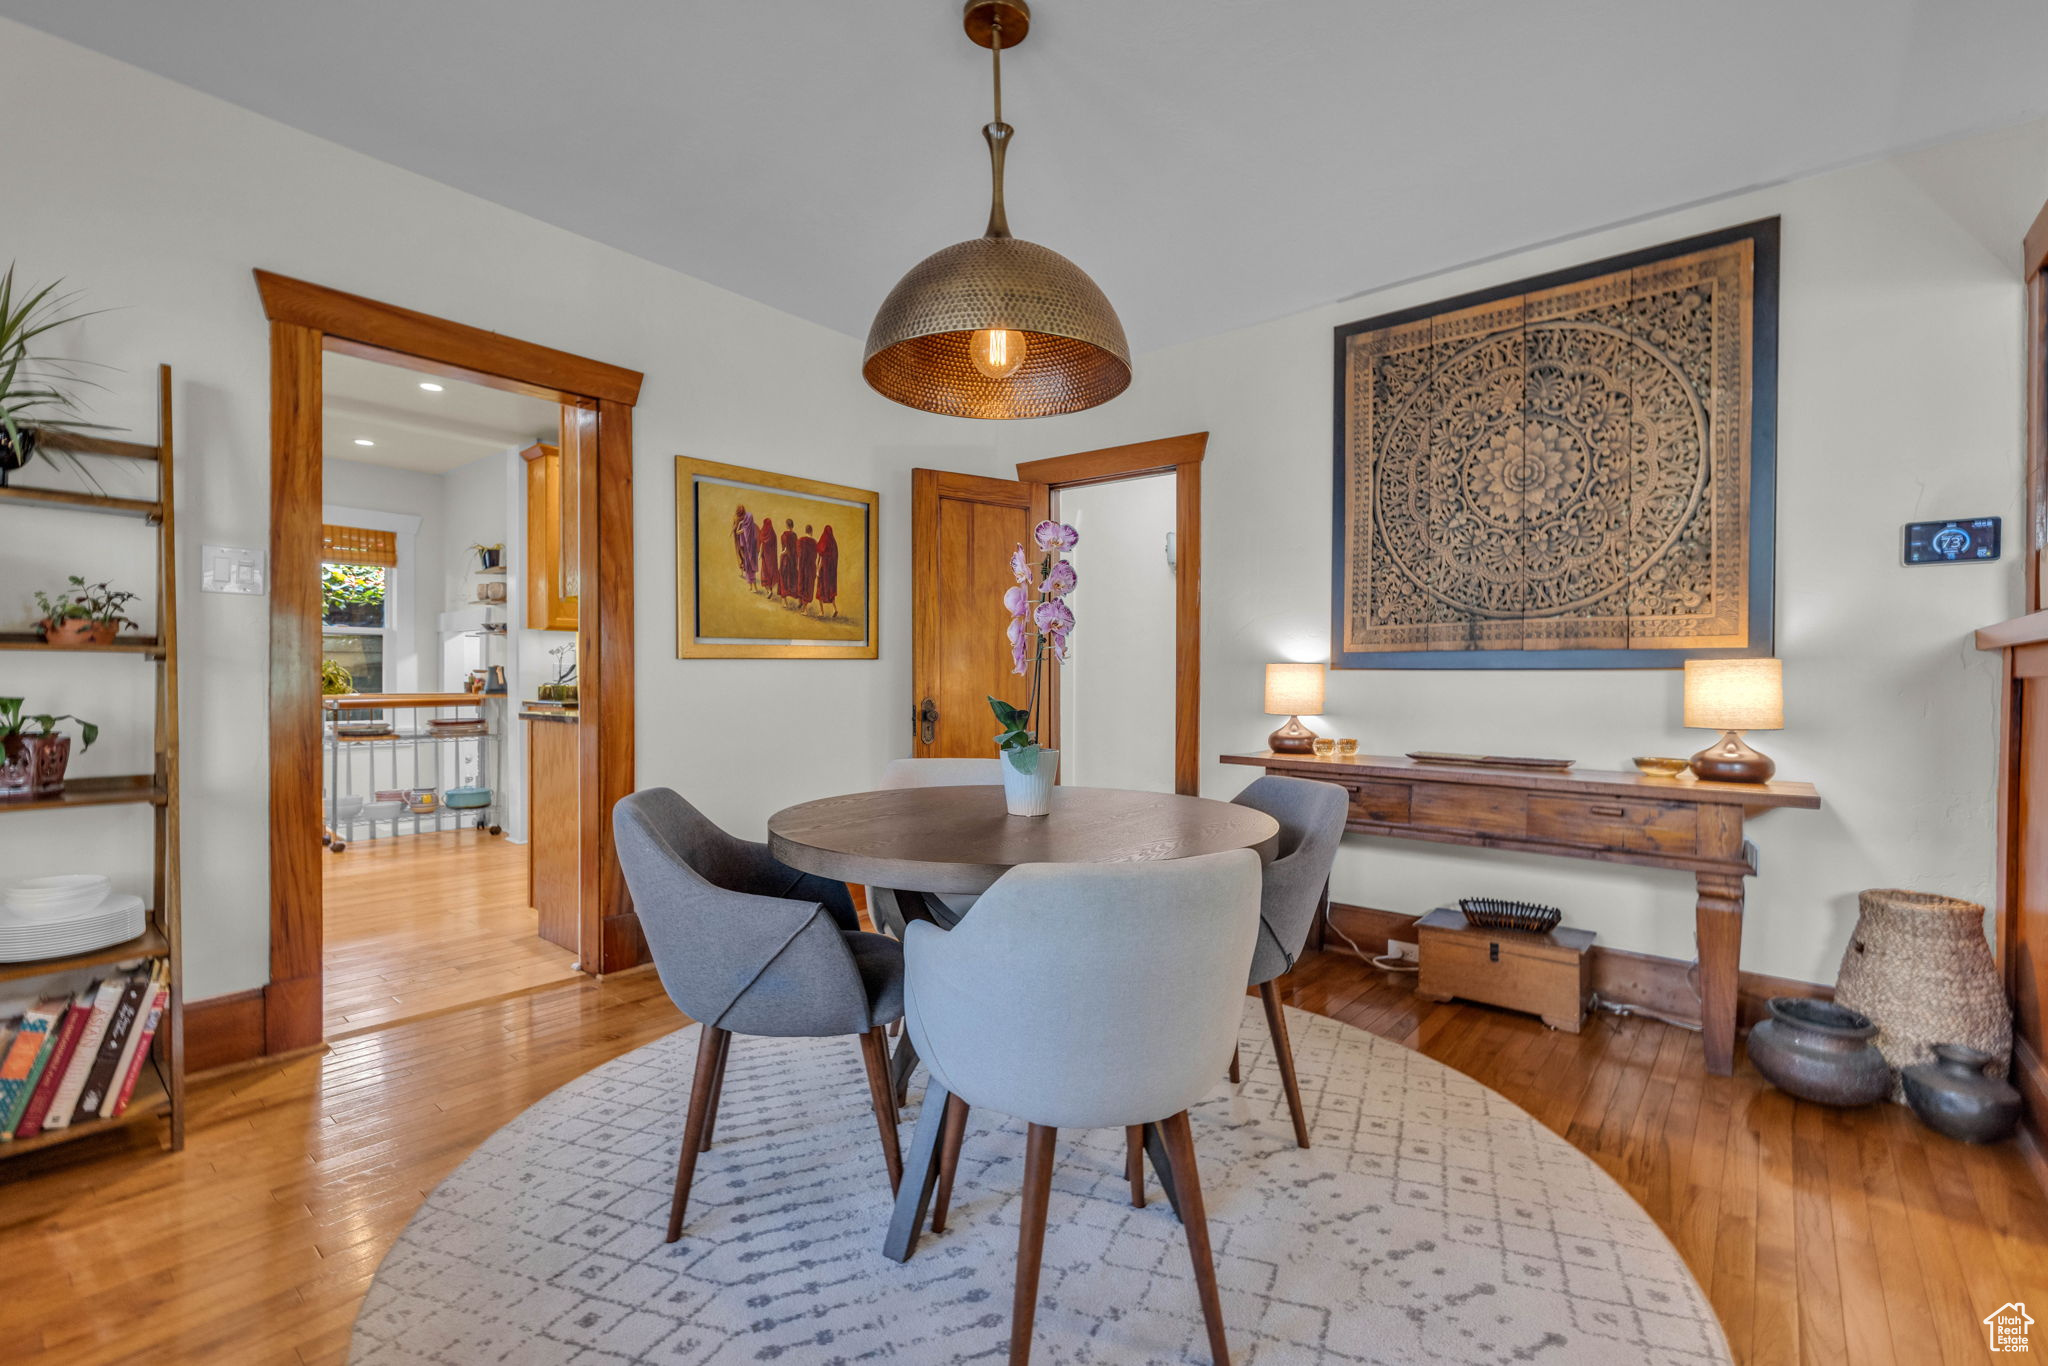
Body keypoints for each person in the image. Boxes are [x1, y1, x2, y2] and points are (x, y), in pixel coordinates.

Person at [815, 524, 839, 619]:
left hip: (823, 571)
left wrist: (817, 570)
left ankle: (821, 612)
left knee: (820, 590)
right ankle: (835, 609)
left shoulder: (823, 542)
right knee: (830, 591)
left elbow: (821, 558)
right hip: (831, 574)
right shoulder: (834, 544)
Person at [732, 504, 756, 589]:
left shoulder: (738, 518)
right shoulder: (746, 517)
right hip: (743, 539)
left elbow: (736, 528)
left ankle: (744, 572)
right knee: (743, 555)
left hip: (740, 539)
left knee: (741, 554)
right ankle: (745, 572)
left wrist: (734, 529)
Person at [756, 512, 780, 599]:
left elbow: (762, 544)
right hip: (772, 559)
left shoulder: (763, 533)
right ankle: (770, 590)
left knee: (765, 574)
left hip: (765, 558)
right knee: (770, 574)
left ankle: (769, 591)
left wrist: (759, 554)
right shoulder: (773, 534)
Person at [779, 519, 800, 609]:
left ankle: (785, 602)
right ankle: (799, 601)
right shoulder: (795, 535)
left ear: (786, 525)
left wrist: (781, 553)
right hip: (794, 561)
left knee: (783, 579)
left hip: (786, 560)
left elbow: (785, 549)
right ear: (792, 526)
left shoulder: (784, 535)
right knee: (794, 579)